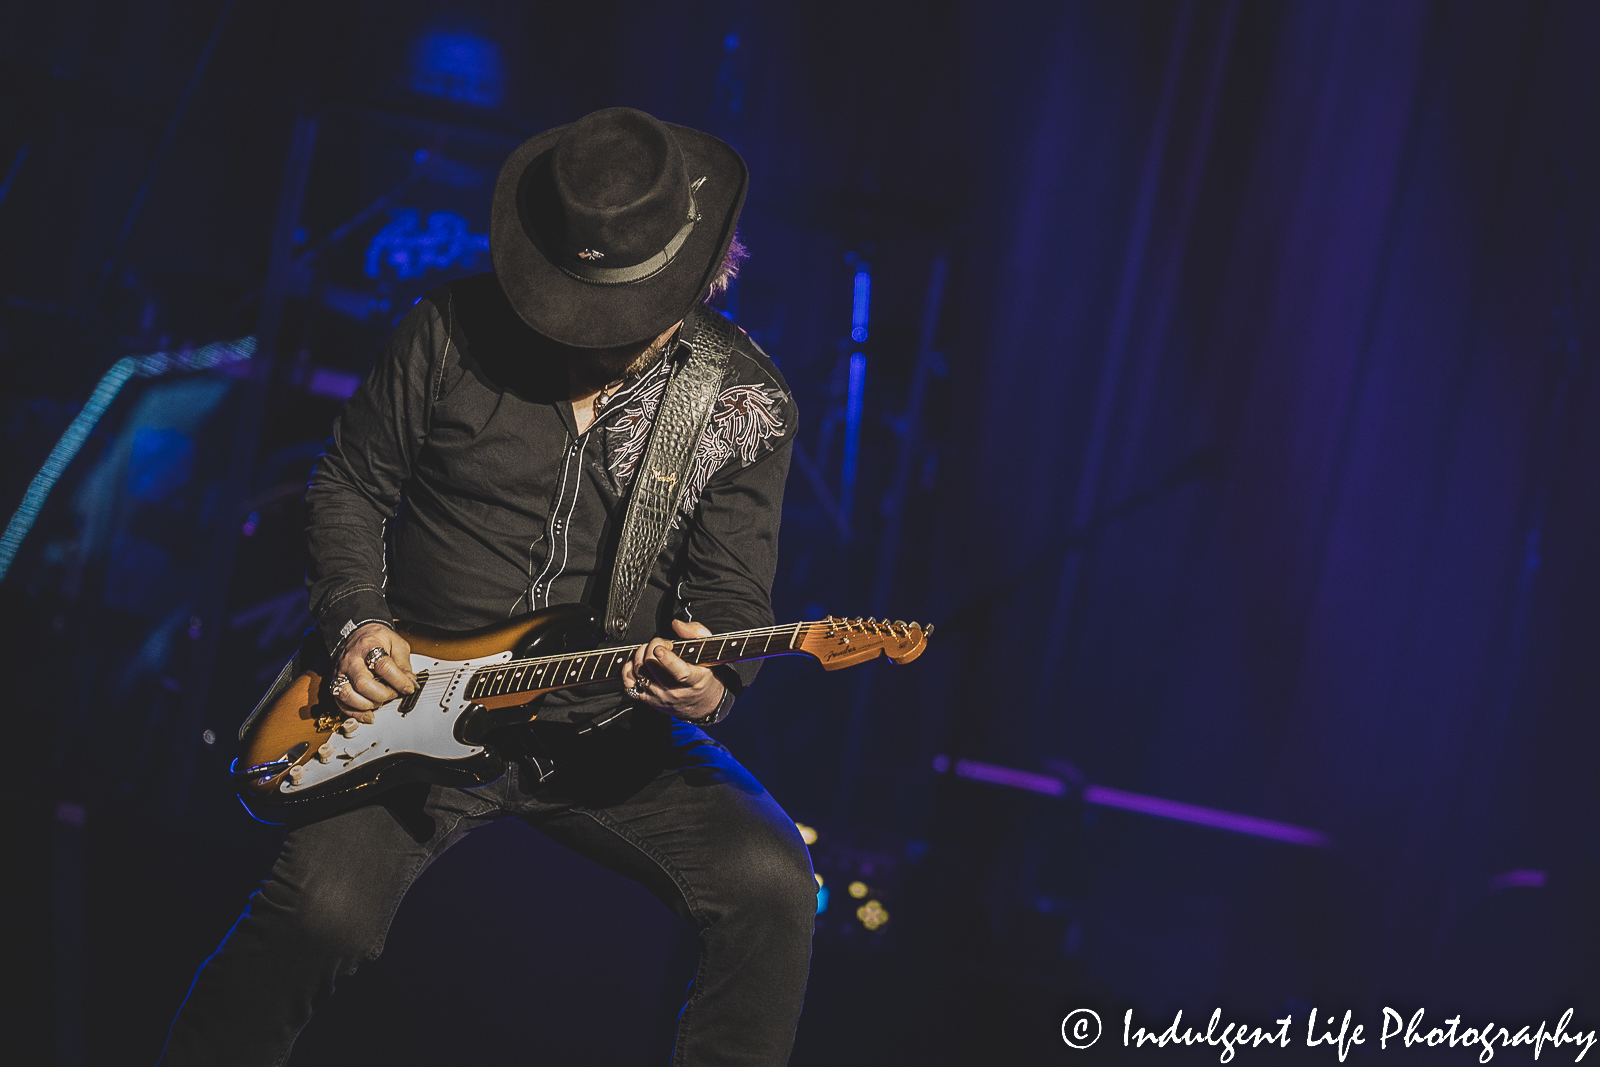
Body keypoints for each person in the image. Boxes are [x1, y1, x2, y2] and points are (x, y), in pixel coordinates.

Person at [159, 107, 817, 1066]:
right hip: (412, 700)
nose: (597, 338)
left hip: (600, 725)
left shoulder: (742, 406)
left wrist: (711, 683)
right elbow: (348, 483)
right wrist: (356, 620)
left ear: (696, 274)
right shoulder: (446, 331)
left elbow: (730, 598)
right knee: (321, 918)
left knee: (772, 882)